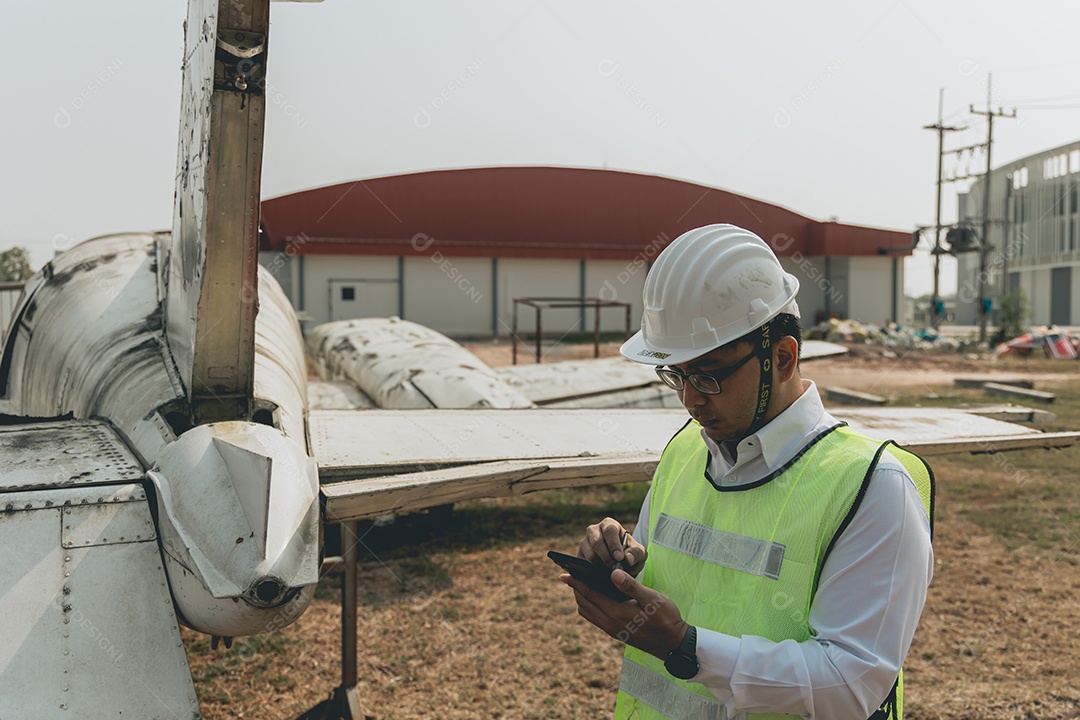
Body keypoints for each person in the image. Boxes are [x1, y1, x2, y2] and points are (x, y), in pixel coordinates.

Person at [559, 224, 934, 720]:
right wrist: (624, 564)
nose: (690, 400)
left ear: (782, 357)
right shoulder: (686, 450)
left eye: (708, 375)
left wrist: (685, 646)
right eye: (676, 375)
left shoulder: (872, 485)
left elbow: (851, 685)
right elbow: (685, 577)